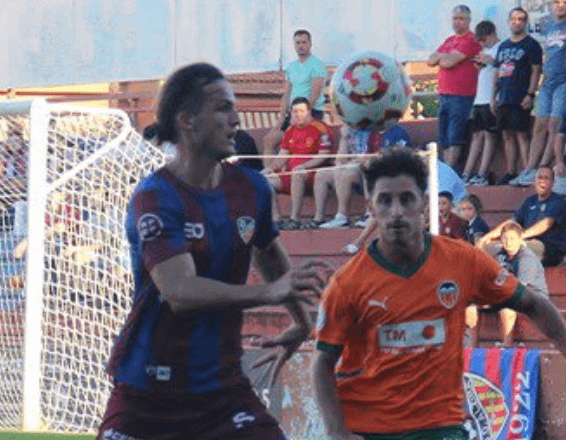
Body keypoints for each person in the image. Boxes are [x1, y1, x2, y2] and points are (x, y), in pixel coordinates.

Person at [97, 63, 328, 440]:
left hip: (222, 389)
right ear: (187, 121)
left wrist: (300, 323)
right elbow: (179, 291)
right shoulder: (155, 195)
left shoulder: (251, 188)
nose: (236, 119)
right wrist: (267, 293)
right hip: (148, 393)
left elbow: (270, 258)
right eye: (223, 108)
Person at [312, 148, 566, 440]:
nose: (396, 211)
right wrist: (337, 431)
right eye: (385, 200)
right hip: (371, 427)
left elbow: (533, 303)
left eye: (406, 199)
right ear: (371, 207)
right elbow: (322, 363)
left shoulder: (463, 261)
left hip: (440, 425)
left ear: (423, 204)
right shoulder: (347, 283)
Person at [343, 159, 467, 254]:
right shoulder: (422, 172)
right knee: (387, 209)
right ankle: (360, 242)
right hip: (433, 206)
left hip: (455, 208)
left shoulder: (442, 173)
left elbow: (440, 201)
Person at [310, 123, 412, 230]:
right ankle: (319, 218)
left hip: (384, 170)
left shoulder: (397, 131)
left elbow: (401, 156)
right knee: (322, 174)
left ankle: (358, 215)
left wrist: (366, 159)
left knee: (358, 169)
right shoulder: (360, 131)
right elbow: (340, 160)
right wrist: (344, 138)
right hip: (355, 167)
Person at [466, 220, 549, 348]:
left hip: (532, 297)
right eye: (504, 238)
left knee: (507, 309)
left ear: (520, 239)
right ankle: (471, 348)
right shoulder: (501, 254)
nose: (508, 242)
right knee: (471, 305)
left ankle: (506, 346)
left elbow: (519, 289)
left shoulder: (526, 258)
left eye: (512, 238)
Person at [510, 1, 566, 186]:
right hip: (548, 81)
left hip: (563, 81)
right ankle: (530, 169)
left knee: (555, 124)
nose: (560, 6)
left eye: (564, 3)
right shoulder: (547, 25)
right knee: (540, 124)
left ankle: (545, 167)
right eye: (557, 3)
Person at [264, 97, 332, 230]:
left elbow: (324, 155)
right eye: (295, 112)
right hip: (291, 173)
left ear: (309, 112)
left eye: (301, 111)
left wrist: (304, 166)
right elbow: (283, 155)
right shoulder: (290, 130)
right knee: (265, 180)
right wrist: (270, 168)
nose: (298, 115)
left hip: (312, 173)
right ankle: (276, 220)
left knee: (297, 173)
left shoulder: (321, 128)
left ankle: (295, 219)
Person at [491, 7, 542, 185]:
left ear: (525, 23)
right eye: (513, 19)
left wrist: (531, 94)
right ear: (509, 22)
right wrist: (493, 97)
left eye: (520, 19)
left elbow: (536, 71)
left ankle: (528, 170)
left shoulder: (531, 45)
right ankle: (511, 171)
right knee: (507, 135)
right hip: (504, 96)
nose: (517, 22)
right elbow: (496, 72)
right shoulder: (503, 46)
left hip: (520, 96)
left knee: (522, 134)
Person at [262, 29, 327, 167]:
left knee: (292, 144)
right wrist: (280, 120)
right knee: (269, 140)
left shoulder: (317, 65)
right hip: (292, 114)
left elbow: (315, 95)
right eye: (297, 43)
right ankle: (268, 178)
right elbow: (287, 94)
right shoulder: (291, 67)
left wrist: (299, 116)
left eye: (304, 42)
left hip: (311, 113)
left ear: (310, 44)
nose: (300, 46)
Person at [427, 5, 482, 168]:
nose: (458, 22)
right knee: (444, 138)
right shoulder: (449, 41)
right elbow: (430, 60)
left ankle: (450, 171)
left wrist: (442, 58)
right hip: (444, 95)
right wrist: (444, 57)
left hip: (462, 96)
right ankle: (444, 171)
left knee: (454, 137)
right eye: (455, 18)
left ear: (469, 21)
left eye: (462, 19)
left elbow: (448, 62)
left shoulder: (471, 39)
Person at [478, 166, 566, 267]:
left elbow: (546, 223)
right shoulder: (530, 201)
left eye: (546, 178)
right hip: (526, 242)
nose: (542, 181)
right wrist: (487, 237)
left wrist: (520, 236)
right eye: (539, 178)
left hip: (549, 248)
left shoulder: (557, 201)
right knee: (490, 247)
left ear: (553, 183)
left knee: (514, 246)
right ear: (534, 181)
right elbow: (511, 223)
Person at [462, 20, 501, 186]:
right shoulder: (484, 50)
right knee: (477, 135)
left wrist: (491, 61)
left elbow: (501, 67)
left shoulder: (501, 47)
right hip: (480, 98)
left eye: (484, 39)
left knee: (489, 135)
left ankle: (482, 173)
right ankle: (466, 173)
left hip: (491, 98)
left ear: (491, 35)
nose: (483, 43)